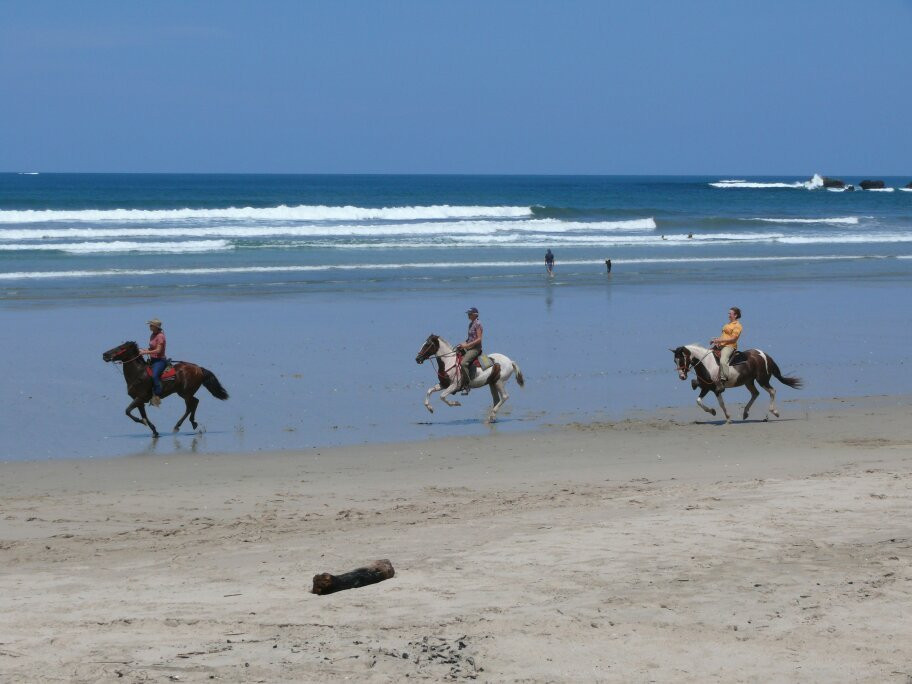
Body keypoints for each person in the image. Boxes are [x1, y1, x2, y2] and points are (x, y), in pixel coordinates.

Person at [710, 307, 742, 391]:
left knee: (723, 361)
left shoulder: (737, 326)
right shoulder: (727, 325)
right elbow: (724, 336)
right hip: (721, 345)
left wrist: (720, 340)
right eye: (728, 313)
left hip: (729, 346)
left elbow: (733, 339)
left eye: (730, 313)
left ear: (735, 315)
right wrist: (716, 340)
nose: (728, 315)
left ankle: (724, 379)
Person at [140, 318, 167, 406]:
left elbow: (158, 351)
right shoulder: (152, 335)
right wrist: (142, 350)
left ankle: (157, 395)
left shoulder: (160, 336)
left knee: (154, 376)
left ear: (155, 327)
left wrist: (145, 352)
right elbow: (152, 349)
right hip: (152, 360)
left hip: (160, 360)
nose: (149, 326)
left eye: (151, 325)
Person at [455, 307, 483, 391]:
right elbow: (469, 339)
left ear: (475, 315)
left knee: (463, 363)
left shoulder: (478, 323)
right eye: (468, 314)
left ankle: (467, 383)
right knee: (455, 354)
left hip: (475, 349)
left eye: (470, 314)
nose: (468, 315)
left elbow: (479, 339)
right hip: (469, 347)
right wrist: (462, 344)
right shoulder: (470, 324)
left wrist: (466, 346)